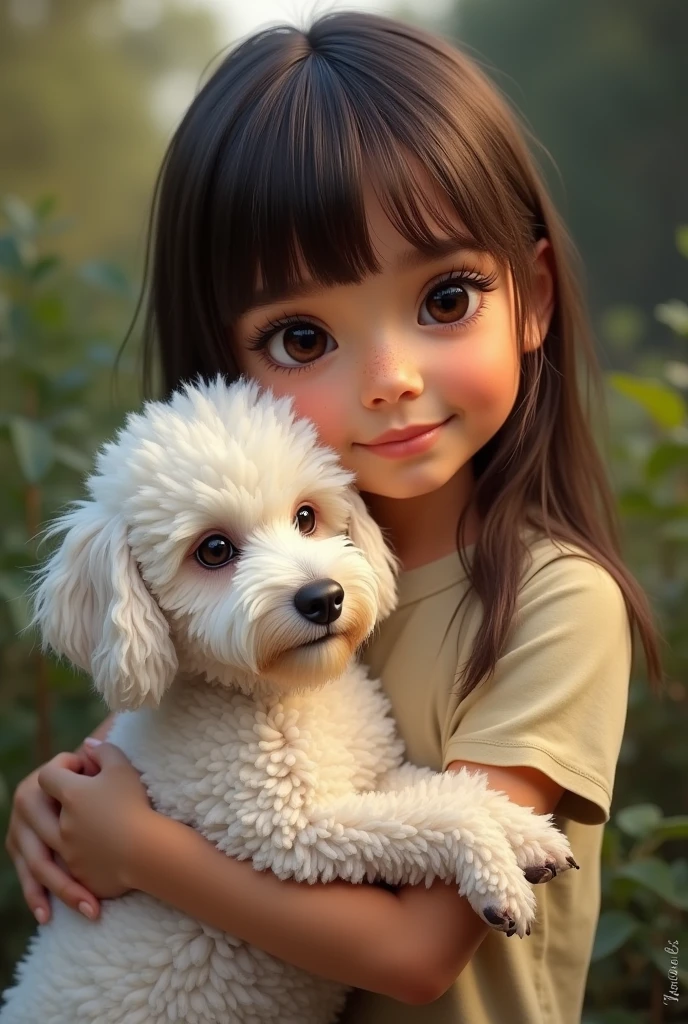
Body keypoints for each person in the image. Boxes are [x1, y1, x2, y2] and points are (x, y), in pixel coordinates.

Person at [4, 11, 661, 1024]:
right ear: (228, 368)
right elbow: (118, 762)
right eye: (303, 334)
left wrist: (136, 848)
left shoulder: (550, 601)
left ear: (531, 297)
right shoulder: (227, 593)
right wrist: (52, 798)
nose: (391, 380)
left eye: (445, 297)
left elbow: (412, 953)